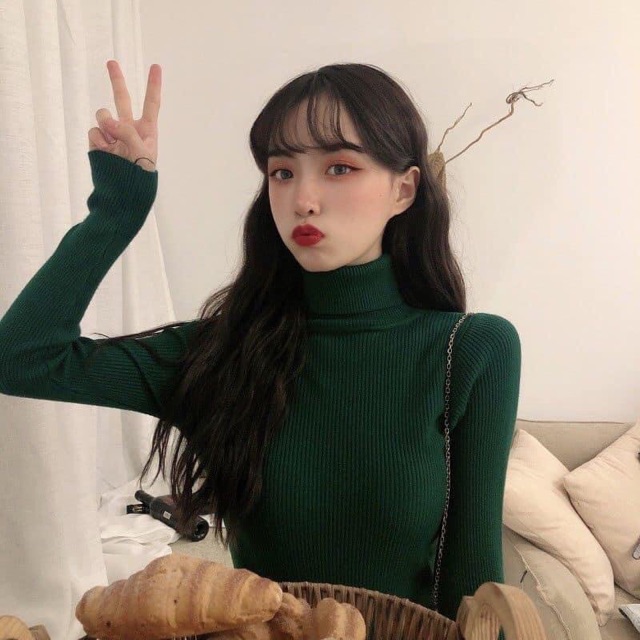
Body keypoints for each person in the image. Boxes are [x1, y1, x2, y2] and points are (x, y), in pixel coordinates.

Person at [0, 59, 521, 624]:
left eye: (339, 167)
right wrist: (117, 210)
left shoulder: (470, 351)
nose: (303, 199)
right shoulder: (221, 353)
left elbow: (476, 584)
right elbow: (23, 358)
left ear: (404, 189)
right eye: (282, 172)